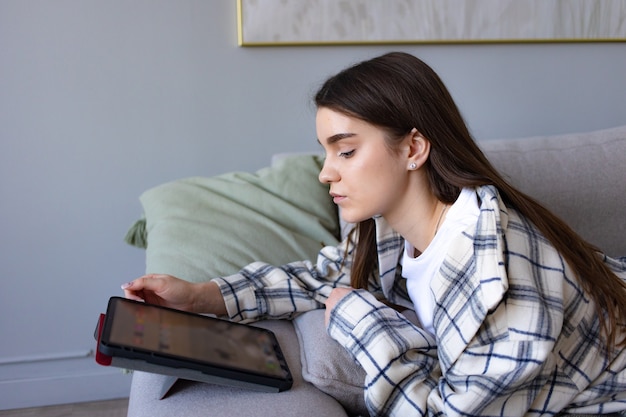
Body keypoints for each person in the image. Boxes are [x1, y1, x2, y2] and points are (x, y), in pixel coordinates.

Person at [122, 52, 626, 416]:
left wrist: (364, 321)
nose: (326, 173)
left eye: (345, 151)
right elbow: (324, 276)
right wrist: (203, 296)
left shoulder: (500, 275)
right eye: (326, 152)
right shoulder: (389, 227)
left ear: (413, 148)